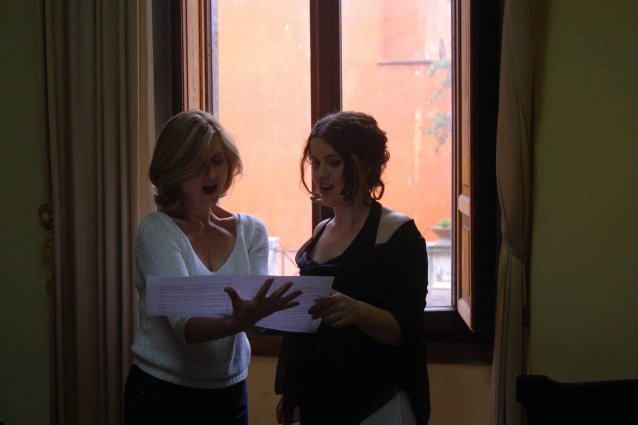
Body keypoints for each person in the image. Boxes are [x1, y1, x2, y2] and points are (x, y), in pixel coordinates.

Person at [124, 109, 301, 425]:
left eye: (218, 161)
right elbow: (186, 327)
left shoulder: (252, 232)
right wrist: (238, 320)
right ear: (174, 170)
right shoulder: (156, 231)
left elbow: (255, 315)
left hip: (229, 393)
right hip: (162, 394)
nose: (211, 174)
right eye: (197, 164)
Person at [275, 111, 430, 425]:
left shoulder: (399, 234)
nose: (321, 174)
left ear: (367, 165)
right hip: (320, 401)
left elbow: (408, 331)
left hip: (378, 403)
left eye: (334, 162)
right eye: (316, 162)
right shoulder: (321, 231)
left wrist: (356, 310)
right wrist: (293, 390)